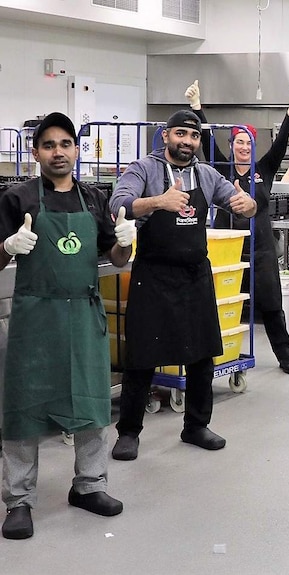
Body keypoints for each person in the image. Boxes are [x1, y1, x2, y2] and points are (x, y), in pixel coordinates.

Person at [0, 113, 134, 539]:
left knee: (92, 401)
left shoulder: (94, 199)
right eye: (48, 145)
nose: (58, 152)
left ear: (77, 149)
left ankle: (90, 486)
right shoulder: (17, 199)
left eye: (66, 143)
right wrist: (7, 245)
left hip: (83, 314)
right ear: (36, 152)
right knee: (24, 407)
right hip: (36, 318)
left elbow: (112, 259)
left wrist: (125, 243)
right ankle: (18, 501)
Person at [109, 110, 257, 461]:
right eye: (180, 134)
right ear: (165, 136)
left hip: (194, 275)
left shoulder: (206, 174)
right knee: (141, 357)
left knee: (202, 355)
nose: (186, 142)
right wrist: (158, 201)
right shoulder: (143, 169)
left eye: (192, 137)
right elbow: (118, 204)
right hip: (153, 274)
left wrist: (248, 205)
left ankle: (195, 426)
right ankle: (128, 432)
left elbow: (242, 205)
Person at [185, 80, 289, 374]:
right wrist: (197, 107)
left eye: (249, 142)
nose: (244, 147)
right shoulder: (220, 168)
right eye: (239, 141)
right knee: (223, 302)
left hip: (261, 249)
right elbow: (207, 139)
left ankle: (285, 355)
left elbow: (282, 143)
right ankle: (219, 351)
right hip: (228, 250)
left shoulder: (265, 169)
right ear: (232, 145)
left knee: (273, 305)